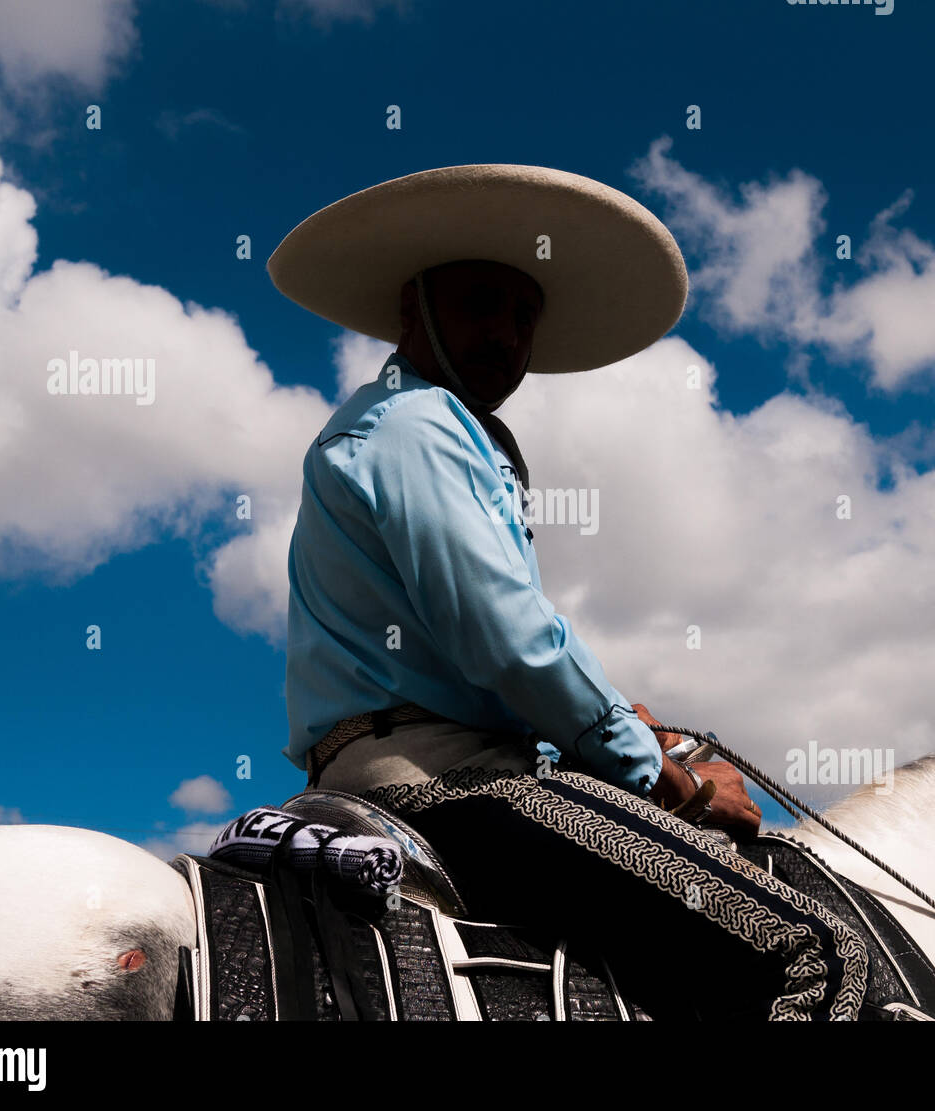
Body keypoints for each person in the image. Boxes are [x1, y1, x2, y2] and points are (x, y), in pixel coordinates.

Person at [269, 163, 868, 1019]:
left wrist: (627, 718)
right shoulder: (422, 424)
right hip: (447, 786)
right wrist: (667, 777)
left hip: (403, 762)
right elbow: (508, 637)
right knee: (815, 951)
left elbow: (494, 641)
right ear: (414, 310)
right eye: (482, 304)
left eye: (523, 317)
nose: (508, 336)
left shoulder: (402, 425)